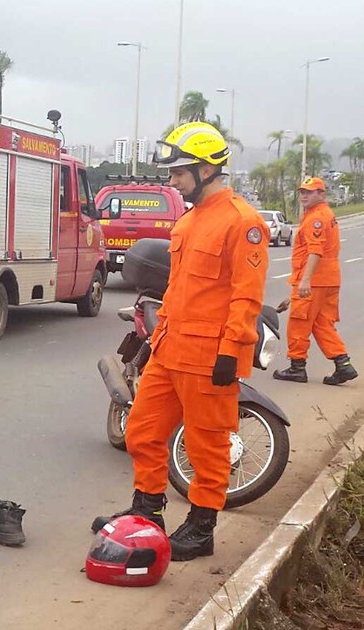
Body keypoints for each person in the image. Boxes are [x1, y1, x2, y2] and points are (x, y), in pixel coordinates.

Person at [93, 122, 268, 562]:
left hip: (211, 357)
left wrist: (231, 352)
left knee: (207, 444)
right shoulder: (189, 221)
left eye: (179, 173)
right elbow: (177, 290)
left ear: (208, 170)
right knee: (142, 431)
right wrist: (155, 338)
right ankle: (147, 512)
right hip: (171, 349)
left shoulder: (242, 223)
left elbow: (246, 298)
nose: (172, 181)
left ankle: (202, 526)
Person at [273, 177, 357, 385]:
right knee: (322, 325)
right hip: (329, 280)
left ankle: (297, 368)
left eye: (309, 192)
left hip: (315, 280)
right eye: (302, 192)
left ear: (322, 194)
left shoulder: (316, 218)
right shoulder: (325, 215)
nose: (304, 196)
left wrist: (305, 281)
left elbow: (315, 251)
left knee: (299, 324)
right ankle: (343, 364)